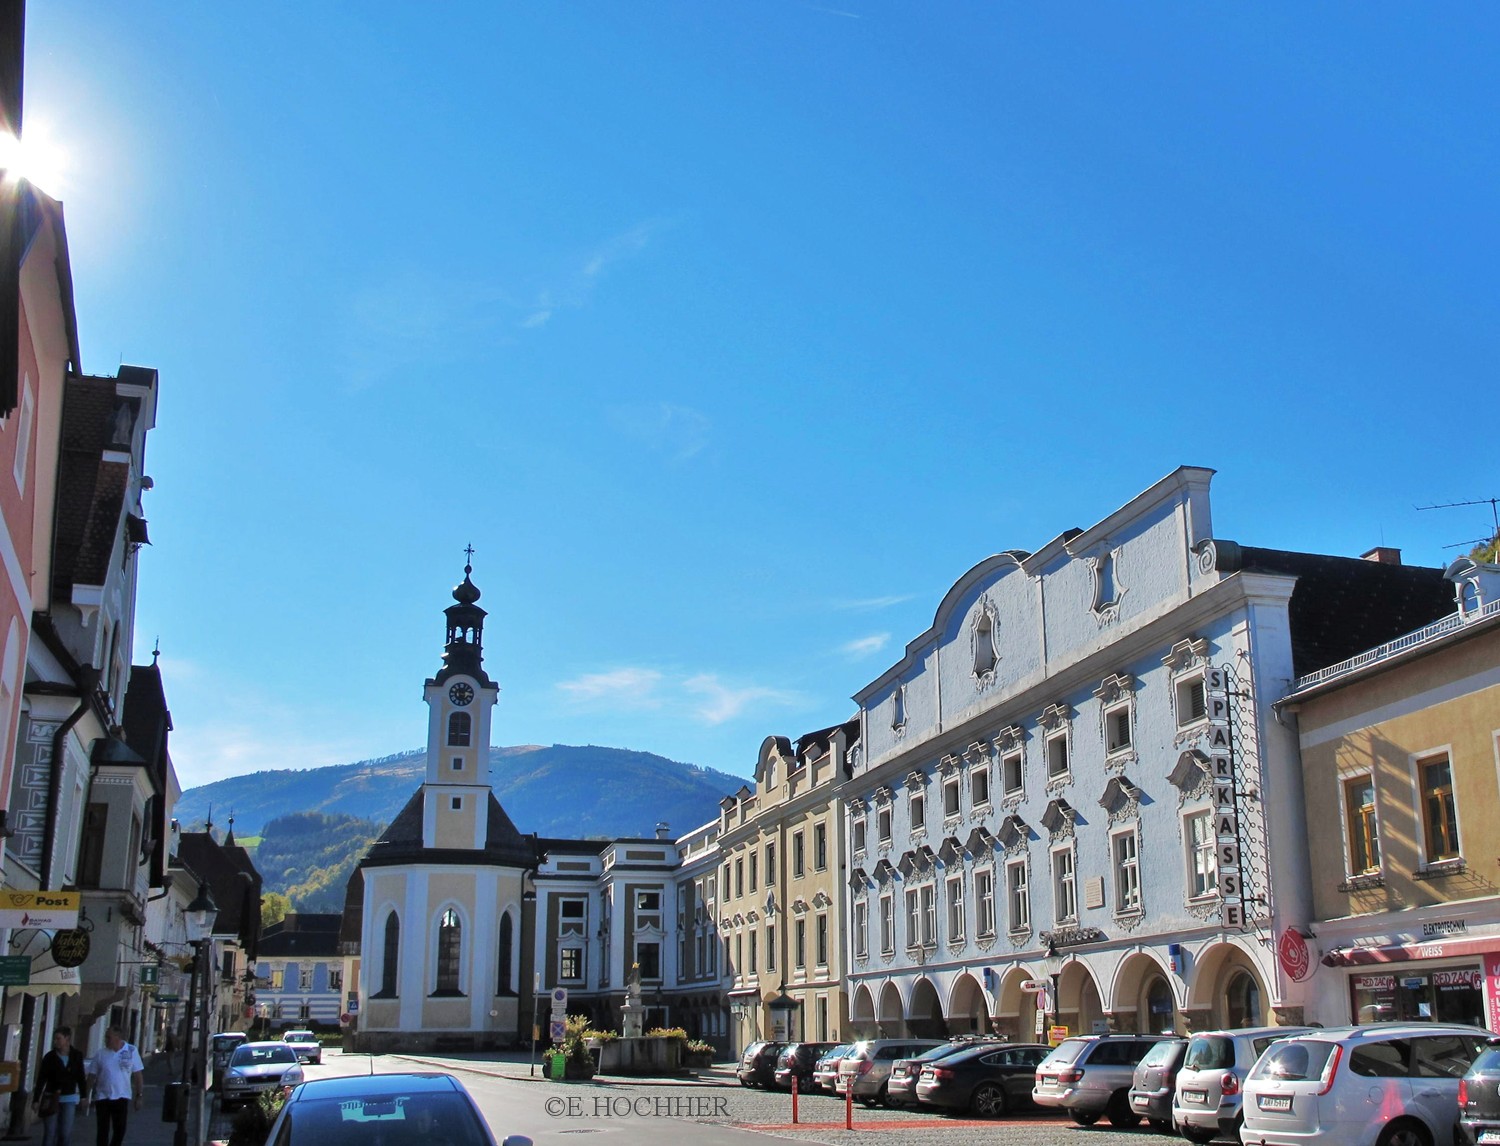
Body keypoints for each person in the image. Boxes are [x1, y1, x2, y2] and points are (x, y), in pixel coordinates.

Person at [84, 1027, 143, 1146]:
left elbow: (138, 1075)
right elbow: (92, 1076)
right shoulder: (101, 1054)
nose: (106, 1040)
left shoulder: (131, 1050)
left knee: (120, 1130)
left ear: (117, 1038)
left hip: (121, 1096)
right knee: (102, 1131)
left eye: (108, 1037)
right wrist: (85, 1096)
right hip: (103, 1097)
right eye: (106, 1037)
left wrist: (139, 1095)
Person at [33, 1026, 87, 1146]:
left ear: (67, 1039)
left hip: (69, 1098)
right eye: (55, 1039)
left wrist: (83, 1096)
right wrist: (36, 1099)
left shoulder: (76, 1055)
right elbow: (41, 1079)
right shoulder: (49, 1057)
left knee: (65, 1133)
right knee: (50, 1133)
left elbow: (81, 1077)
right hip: (51, 1097)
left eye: (58, 1038)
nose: (55, 1041)